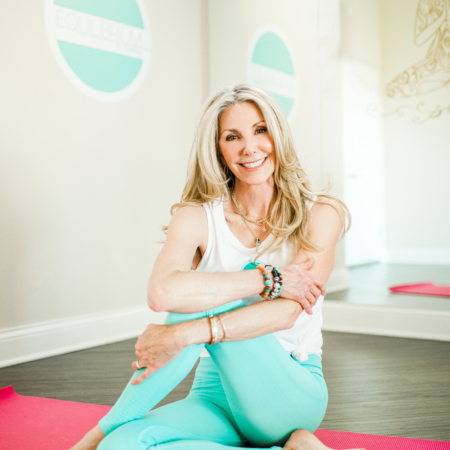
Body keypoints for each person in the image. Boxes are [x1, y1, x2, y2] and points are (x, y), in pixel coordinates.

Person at [70, 83, 361, 450]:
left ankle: (87, 440)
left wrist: (185, 333)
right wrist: (265, 279)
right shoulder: (196, 216)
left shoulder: (320, 213)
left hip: (287, 393)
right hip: (213, 395)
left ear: (278, 135)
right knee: (120, 446)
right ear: (218, 149)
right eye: (232, 137)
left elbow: (286, 314)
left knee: (205, 298)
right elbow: (162, 293)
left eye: (260, 130)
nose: (249, 147)